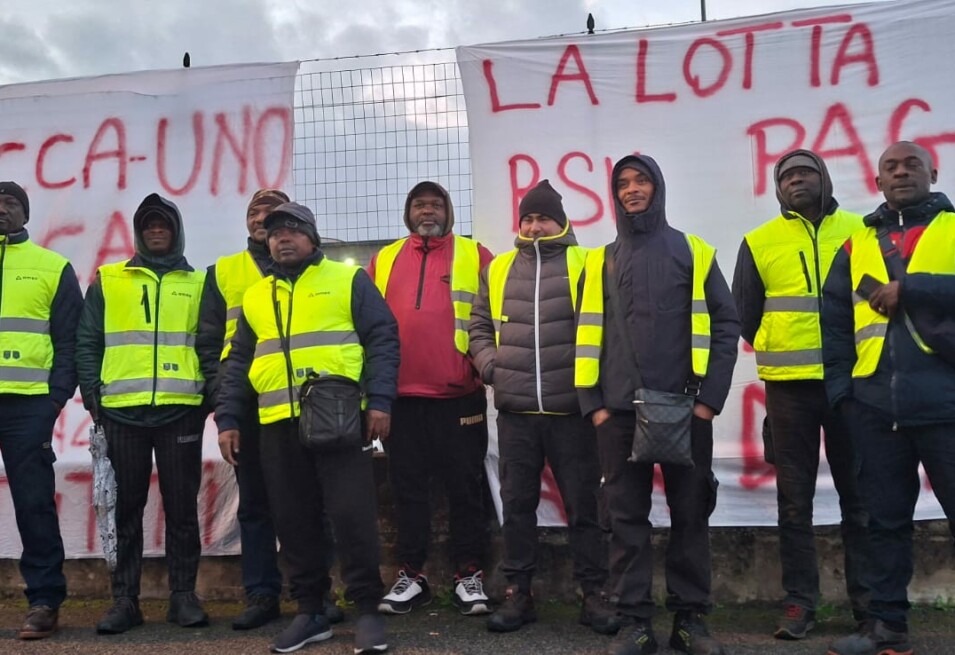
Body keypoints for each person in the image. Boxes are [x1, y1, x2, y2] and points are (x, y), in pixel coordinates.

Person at [216, 202, 398, 654]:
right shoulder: (256, 295)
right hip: (277, 423)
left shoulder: (348, 280)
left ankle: (367, 610)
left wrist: (379, 401)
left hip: (339, 419)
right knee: (293, 521)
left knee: (352, 517)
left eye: (293, 230)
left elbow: (382, 338)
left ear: (312, 238)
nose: (283, 237)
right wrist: (228, 419)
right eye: (275, 232)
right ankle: (311, 611)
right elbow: (238, 361)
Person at [575, 155, 739, 655]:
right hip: (618, 415)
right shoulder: (597, 261)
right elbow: (583, 334)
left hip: (686, 410)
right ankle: (635, 624)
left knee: (690, 515)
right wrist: (595, 406)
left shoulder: (694, 251)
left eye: (641, 180)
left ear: (657, 187)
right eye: (622, 183)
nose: (632, 189)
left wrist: (709, 402)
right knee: (625, 521)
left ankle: (690, 622)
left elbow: (727, 325)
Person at [822, 141, 955, 655]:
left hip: (946, 404)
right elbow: (834, 325)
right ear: (877, 182)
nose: (901, 172)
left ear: (933, 174)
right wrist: (844, 395)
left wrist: (913, 289)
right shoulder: (856, 244)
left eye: (912, 164)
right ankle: (887, 627)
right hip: (875, 407)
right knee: (883, 522)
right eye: (891, 167)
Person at [732, 150, 869, 639]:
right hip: (789, 390)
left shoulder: (860, 231)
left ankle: (869, 606)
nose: (796, 180)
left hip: (851, 385)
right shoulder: (759, 241)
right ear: (778, 187)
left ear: (824, 178)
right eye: (787, 175)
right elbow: (745, 314)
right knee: (794, 502)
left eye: (805, 172)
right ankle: (799, 603)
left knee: (861, 499)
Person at [468, 180, 616, 634]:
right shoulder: (498, 268)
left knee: (585, 507)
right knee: (517, 507)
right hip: (516, 414)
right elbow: (477, 324)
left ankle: (594, 594)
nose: (534, 227)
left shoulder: (587, 262)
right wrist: (491, 367)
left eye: (544, 218)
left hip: (573, 411)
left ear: (562, 222)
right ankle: (519, 594)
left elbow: (607, 326)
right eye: (528, 218)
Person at [196, 188, 342, 629]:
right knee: (255, 505)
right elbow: (209, 344)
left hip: (303, 403)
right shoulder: (223, 272)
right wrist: (225, 404)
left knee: (312, 503)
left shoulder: (316, 271)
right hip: (248, 405)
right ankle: (261, 594)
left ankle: (317, 594)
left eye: (272, 212)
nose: (262, 218)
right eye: (254, 211)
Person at [76, 193, 209, 634]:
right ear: (138, 232)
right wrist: (94, 398)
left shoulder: (199, 283)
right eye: (148, 224)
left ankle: (183, 596)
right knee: (125, 509)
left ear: (176, 231)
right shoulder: (109, 279)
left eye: (163, 224)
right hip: (122, 415)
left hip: (180, 414)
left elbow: (210, 345)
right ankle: (125, 600)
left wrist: (205, 401)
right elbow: (87, 340)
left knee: (182, 509)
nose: (156, 230)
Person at [369, 181, 494, 616]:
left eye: (436, 204)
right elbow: (370, 327)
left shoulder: (476, 254)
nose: (428, 211)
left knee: (466, 488)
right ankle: (412, 575)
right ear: (408, 213)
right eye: (419, 204)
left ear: (448, 211)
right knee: (406, 490)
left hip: (459, 398)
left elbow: (494, 318)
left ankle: (469, 574)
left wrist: (482, 367)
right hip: (401, 398)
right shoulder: (384, 258)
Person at [0, 181, 82, 640]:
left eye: (10, 202)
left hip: (28, 406)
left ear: (26, 214)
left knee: (33, 503)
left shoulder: (52, 267)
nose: (1, 209)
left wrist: (54, 399)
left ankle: (45, 600)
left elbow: (69, 341)